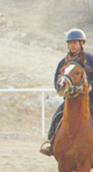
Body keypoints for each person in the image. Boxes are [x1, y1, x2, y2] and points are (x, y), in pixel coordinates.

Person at [40, 28, 93, 156]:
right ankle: (51, 143)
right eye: (70, 43)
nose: (72, 45)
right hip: (70, 101)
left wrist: (91, 86)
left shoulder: (90, 59)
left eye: (75, 42)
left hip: (90, 99)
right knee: (57, 117)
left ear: (81, 43)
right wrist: (62, 89)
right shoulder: (63, 63)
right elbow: (56, 82)